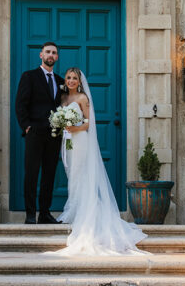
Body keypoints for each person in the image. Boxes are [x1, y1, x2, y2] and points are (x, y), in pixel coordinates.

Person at [55, 67, 147, 255]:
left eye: (75, 78)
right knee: (71, 173)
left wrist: (75, 128)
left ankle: (82, 211)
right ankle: (73, 208)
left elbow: (89, 123)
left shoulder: (82, 99)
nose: (71, 81)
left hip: (80, 140)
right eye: (69, 78)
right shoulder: (63, 98)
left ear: (80, 82)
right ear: (65, 80)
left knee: (80, 174)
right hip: (68, 141)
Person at [14, 40, 64, 224]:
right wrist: (26, 126)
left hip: (54, 135)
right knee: (32, 173)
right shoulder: (29, 76)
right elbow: (20, 104)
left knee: (49, 174)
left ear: (57, 57)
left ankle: (44, 213)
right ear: (41, 55)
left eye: (54, 53)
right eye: (47, 52)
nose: (51, 55)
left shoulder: (60, 81)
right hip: (34, 132)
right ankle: (30, 214)